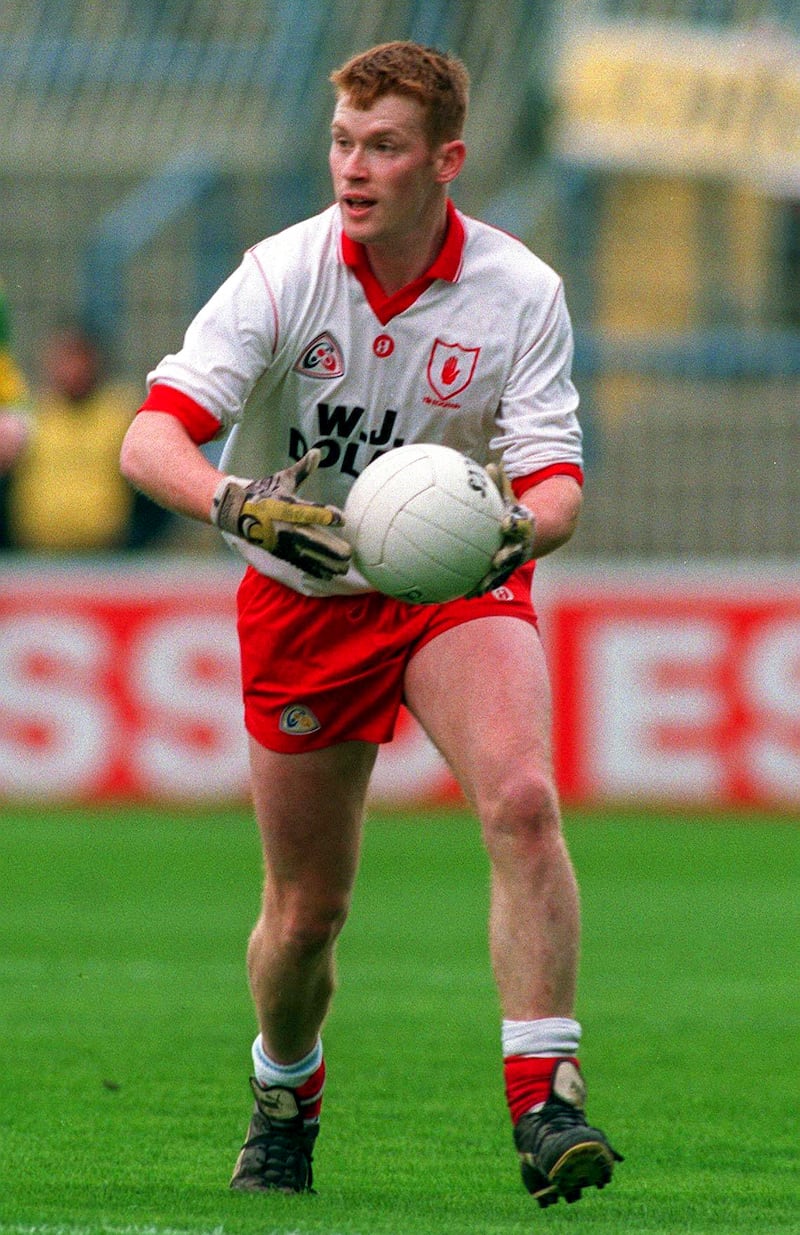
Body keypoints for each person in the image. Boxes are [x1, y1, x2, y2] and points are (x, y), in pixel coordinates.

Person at [120, 41, 622, 1208]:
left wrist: (513, 537)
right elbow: (150, 439)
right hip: (303, 592)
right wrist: (237, 501)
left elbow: (552, 480)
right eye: (343, 142)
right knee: (305, 915)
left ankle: (544, 1095)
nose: (354, 167)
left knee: (523, 798)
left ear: (445, 159)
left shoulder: (520, 290)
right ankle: (283, 1092)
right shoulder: (281, 273)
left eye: (383, 146)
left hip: (453, 582)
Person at [4, 323, 172, 552]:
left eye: (79, 358)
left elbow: (157, 487)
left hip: (108, 560)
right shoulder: (30, 416)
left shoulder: (122, 415)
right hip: (34, 560)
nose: (72, 369)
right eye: (64, 358)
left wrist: (134, 544)